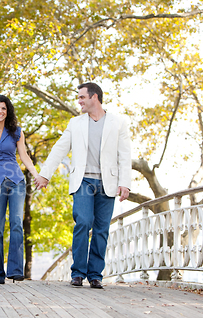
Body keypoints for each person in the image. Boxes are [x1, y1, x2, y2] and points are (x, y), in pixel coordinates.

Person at [35, 82, 131, 289]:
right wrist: (45, 175)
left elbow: (124, 155)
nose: (79, 101)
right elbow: (60, 149)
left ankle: (95, 275)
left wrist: (125, 183)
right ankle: (78, 272)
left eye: (81, 97)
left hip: (107, 182)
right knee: (83, 222)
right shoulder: (76, 123)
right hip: (83, 182)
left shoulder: (118, 123)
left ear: (94, 97)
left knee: (101, 229)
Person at [0, 94, 39, 284]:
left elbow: (24, 156)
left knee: (16, 223)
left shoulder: (16, 132)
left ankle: (15, 270)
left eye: (4, 108)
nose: (0, 112)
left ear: (8, 111)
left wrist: (37, 175)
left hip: (16, 181)